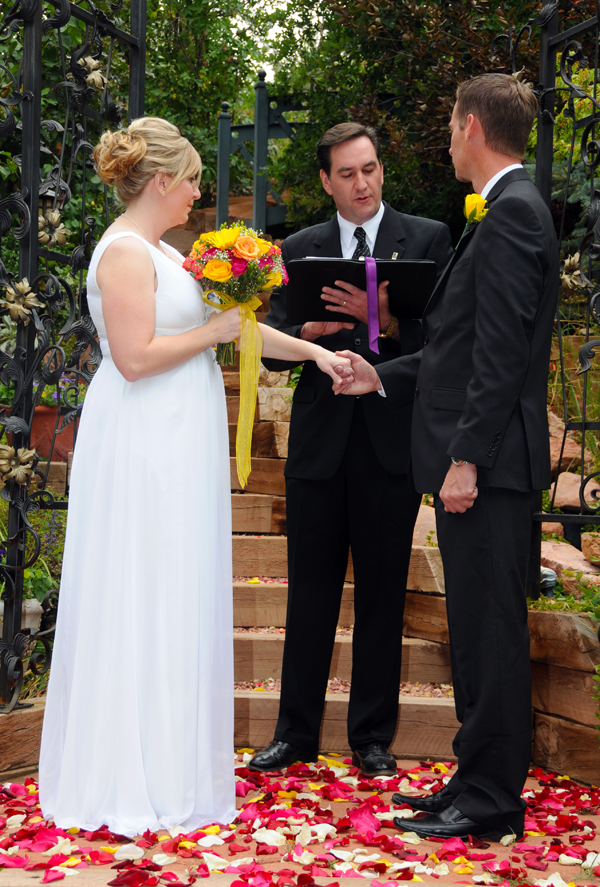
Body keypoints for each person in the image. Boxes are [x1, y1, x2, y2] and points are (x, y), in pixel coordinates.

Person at [38, 117, 353, 837]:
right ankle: (125, 771)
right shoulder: (123, 254)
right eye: (192, 182)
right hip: (143, 446)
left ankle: (170, 761)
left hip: (178, 444)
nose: (199, 194)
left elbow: (233, 326)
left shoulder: (168, 252)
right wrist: (212, 335)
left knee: (173, 590)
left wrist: (314, 356)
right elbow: (136, 357)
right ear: (160, 182)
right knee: (140, 589)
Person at [334, 75, 558, 838]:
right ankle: (472, 779)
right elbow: (457, 351)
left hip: (487, 471)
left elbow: (498, 359)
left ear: (470, 127)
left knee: (491, 632)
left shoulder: (512, 217)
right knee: (473, 627)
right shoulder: (507, 211)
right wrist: (379, 375)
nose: (447, 137)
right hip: (481, 464)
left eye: (450, 125)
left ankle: (492, 801)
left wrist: (465, 458)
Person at [249, 123, 453, 778]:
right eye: (347, 173)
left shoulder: (426, 239)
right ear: (325, 180)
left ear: (380, 169)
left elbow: (445, 341)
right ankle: (294, 733)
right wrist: (304, 331)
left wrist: (386, 320)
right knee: (307, 593)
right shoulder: (300, 248)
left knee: (383, 596)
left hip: (391, 442)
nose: (362, 183)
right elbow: (271, 346)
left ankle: (372, 736)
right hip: (318, 444)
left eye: (370, 169)